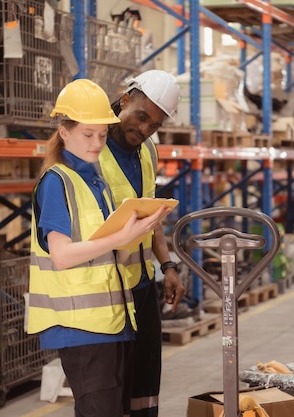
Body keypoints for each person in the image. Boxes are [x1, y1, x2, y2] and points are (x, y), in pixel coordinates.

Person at [27, 78, 172, 417]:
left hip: (110, 322)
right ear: (64, 132)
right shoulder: (56, 182)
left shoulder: (93, 181)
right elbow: (61, 255)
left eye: (103, 135)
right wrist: (122, 238)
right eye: (87, 135)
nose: (97, 144)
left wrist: (148, 238)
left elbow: (105, 253)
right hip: (81, 326)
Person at [98, 69, 186, 417]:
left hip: (142, 284)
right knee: (110, 386)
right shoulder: (94, 150)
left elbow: (153, 218)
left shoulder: (148, 151)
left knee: (146, 382)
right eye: (141, 117)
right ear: (124, 102)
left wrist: (168, 267)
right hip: (107, 291)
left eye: (155, 125)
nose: (145, 129)